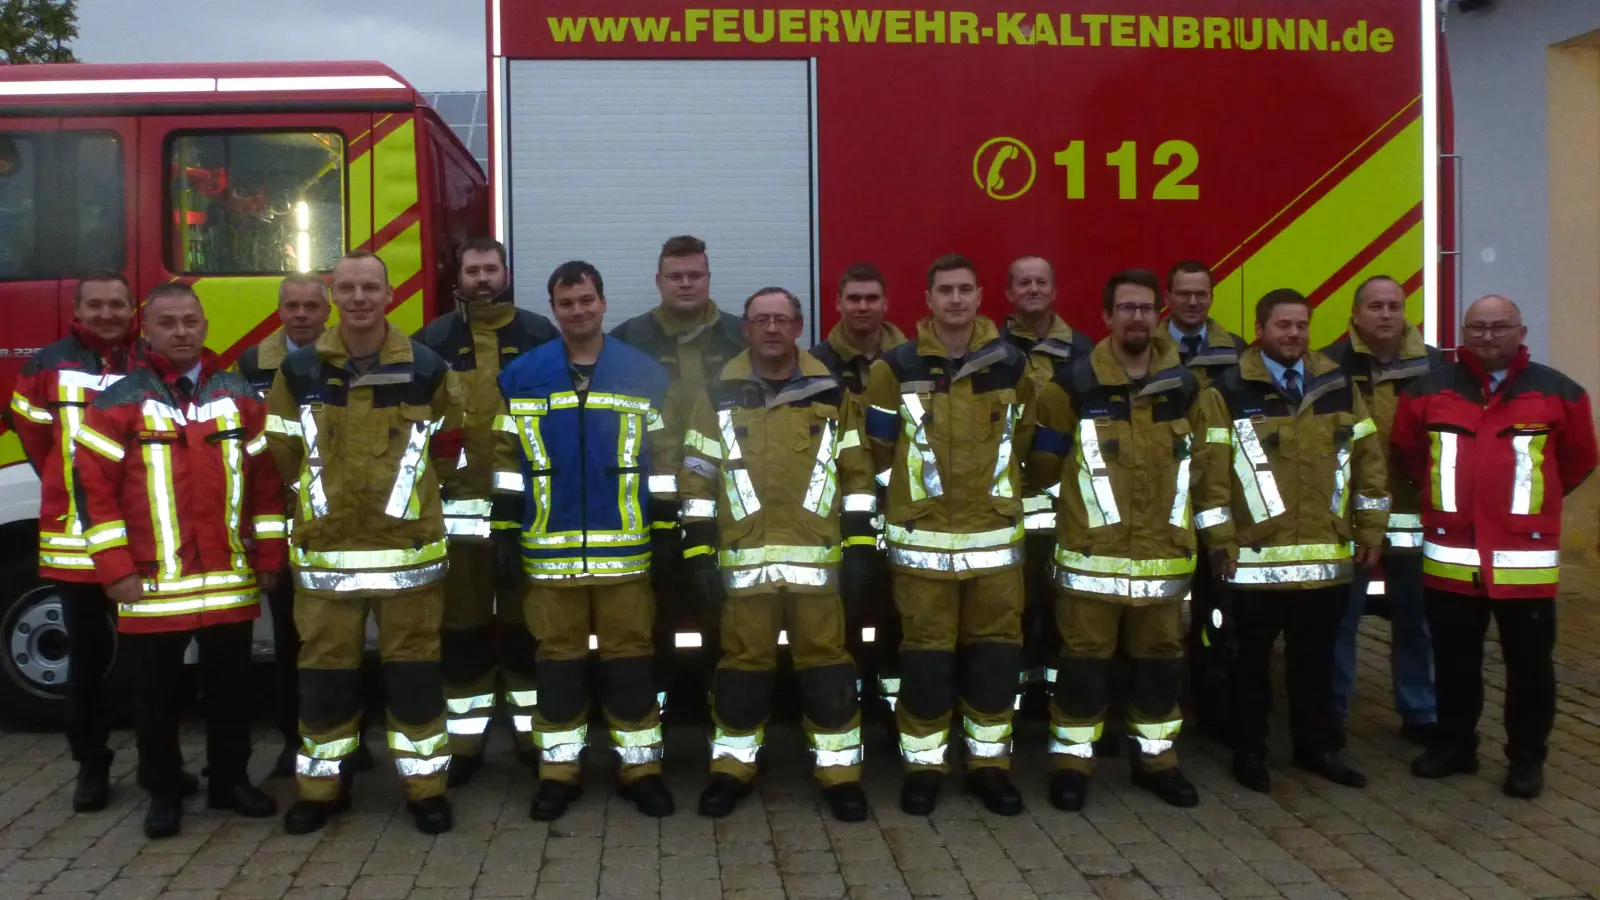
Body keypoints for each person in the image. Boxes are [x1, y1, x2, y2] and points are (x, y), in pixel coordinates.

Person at [72, 283, 283, 838]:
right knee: (156, 697)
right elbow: (93, 491)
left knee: (233, 691)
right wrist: (114, 568)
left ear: (206, 324)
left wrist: (269, 554)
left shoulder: (238, 395)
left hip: (229, 576)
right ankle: (163, 791)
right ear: (148, 329)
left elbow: (265, 484)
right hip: (152, 582)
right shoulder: (119, 401)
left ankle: (229, 782)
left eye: (190, 320)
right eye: (168, 322)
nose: (181, 331)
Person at [265, 251, 465, 835]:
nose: (358, 298)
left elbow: (452, 445)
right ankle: (323, 790)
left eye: (369, 287)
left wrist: (418, 502)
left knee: (415, 677)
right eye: (347, 288)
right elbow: (282, 450)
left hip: (409, 558)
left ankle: (426, 789)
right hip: (328, 558)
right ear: (334, 295)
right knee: (325, 678)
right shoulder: (299, 372)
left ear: (389, 294)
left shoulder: (426, 368)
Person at [1025, 269, 1233, 811]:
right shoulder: (1069, 388)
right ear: (1107, 317)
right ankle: (1072, 765)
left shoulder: (1188, 391)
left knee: (1161, 665)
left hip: (1164, 564)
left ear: (1156, 315)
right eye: (1127, 308)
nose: (1137, 318)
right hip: (1092, 562)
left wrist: (1218, 543)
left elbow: (1210, 474)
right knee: (1082, 668)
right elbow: (1041, 470)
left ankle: (1157, 762)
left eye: (1145, 308)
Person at [493, 261, 678, 822]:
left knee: (631, 664)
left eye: (586, 300)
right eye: (566, 303)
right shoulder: (523, 376)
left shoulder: (644, 373)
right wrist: (501, 529)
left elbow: (664, 458)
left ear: (603, 302)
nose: (578, 311)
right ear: (553, 309)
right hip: (548, 557)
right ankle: (558, 774)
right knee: (557, 667)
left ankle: (641, 771)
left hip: (627, 554)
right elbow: (506, 459)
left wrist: (668, 527)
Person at [1392, 294, 1596, 799]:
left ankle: (1527, 759)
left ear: (1521, 332)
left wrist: (1529, 511)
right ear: (1464, 332)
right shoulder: (1428, 389)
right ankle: (1455, 746)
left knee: (1530, 667)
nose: (1487, 336)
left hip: (1522, 560)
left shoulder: (1560, 392)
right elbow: (1409, 452)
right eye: (1477, 327)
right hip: (1452, 557)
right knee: (1455, 661)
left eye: (1499, 327)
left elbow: (1577, 461)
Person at [681, 287, 874, 822]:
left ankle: (839, 776)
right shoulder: (717, 392)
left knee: (827, 668)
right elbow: (697, 473)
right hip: (743, 564)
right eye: (760, 319)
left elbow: (857, 473)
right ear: (745, 328)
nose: (770, 329)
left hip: (817, 562)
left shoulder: (833, 392)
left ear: (798, 326)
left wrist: (860, 546)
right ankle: (732, 770)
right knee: (743, 669)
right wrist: (697, 549)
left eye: (780, 319)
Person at [4, 271, 184, 812]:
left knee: (153, 660)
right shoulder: (45, 367)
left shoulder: (152, 363)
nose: (107, 314)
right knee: (86, 658)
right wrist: (70, 483)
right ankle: (91, 764)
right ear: (77, 309)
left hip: (147, 532)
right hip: (78, 540)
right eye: (96, 305)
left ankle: (163, 766)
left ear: (133, 309)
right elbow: (36, 440)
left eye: (117, 304)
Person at [864, 254, 1035, 816]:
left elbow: (1030, 443)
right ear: (929, 299)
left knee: (993, 661)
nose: (956, 300)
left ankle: (989, 767)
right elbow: (879, 448)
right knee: (926, 663)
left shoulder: (1012, 364)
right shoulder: (897, 365)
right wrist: (909, 508)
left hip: (993, 545)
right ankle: (924, 767)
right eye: (945, 291)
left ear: (981, 295)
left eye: (965, 289)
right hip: (922, 548)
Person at [1206, 288, 1389, 793]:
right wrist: (1220, 542)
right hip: (1253, 562)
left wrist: (1371, 528)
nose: (1293, 334)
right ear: (1261, 330)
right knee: (1251, 668)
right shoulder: (1227, 391)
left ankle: (1318, 748)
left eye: (1301, 325)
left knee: (1316, 665)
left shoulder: (1338, 386)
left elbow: (1369, 463)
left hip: (1326, 561)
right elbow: (1212, 477)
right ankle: (1250, 750)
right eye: (1282, 325)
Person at [416, 237, 557, 783]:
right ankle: (466, 746)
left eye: (490, 269)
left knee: (529, 630)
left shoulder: (539, 335)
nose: (482, 279)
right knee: (463, 633)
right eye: (472, 269)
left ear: (506, 274)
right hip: (456, 521)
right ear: (458, 276)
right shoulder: (430, 342)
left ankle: (533, 738)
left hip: (528, 514)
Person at [233, 273, 376, 779]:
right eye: (291, 305)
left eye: (311, 305)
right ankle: (295, 741)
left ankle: (352, 739)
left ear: (327, 309)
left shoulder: (348, 359)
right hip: (287, 520)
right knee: (294, 640)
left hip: (346, 522)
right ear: (279, 311)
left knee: (348, 636)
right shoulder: (252, 365)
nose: (301, 314)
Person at [610, 236, 746, 699]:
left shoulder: (741, 335)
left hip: (727, 504)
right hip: (651, 509)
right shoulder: (628, 340)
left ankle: (725, 715)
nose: (686, 284)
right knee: (653, 615)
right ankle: (655, 719)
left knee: (725, 614)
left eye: (695, 275)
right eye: (676, 276)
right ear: (659, 281)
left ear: (709, 278)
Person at [1322, 275, 1443, 745]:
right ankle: (1332, 713)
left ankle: (1421, 711)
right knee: (1340, 621)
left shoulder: (1435, 367)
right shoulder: (1331, 365)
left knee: (1417, 620)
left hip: (1415, 516)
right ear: (1355, 315)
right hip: (1349, 518)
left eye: (1394, 305)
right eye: (1376, 306)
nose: (1386, 314)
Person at [807, 263, 906, 722]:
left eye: (871, 298)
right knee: (843, 614)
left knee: (899, 618)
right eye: (854, 298)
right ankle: (845, 708)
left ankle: (892, 710)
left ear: (886, 304)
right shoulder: (813, 367)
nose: (862, 306)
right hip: (839, 513)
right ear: (838, 304)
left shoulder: (914, 361)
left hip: (908, 509)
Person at [1000, 256, 1094, 716]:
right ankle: (1012, 706)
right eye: (1023, 283)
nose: (1033, 289)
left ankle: (1061, 704)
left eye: (1041, 281)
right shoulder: (991, 351)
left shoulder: (1086, 354)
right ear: (1008, 294)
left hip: (1068, 507)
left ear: (1054, 291)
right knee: (1010, 610)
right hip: (1007, 504)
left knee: (1065, 611)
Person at [1163, 260, 1245, 738]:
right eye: (1183, 293)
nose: (1193, 302)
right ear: (1168, 299)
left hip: (1218, 500)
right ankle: (1160, 701)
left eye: (1201, 294)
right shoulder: (1148, 352)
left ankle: (1212, 707)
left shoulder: (1236, 353)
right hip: (1160, 504)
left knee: (1216, 611)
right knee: (1159, 611)